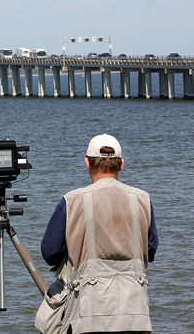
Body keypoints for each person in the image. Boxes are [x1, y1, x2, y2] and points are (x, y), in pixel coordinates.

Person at [39, 134, 159, 334]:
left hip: (87, 312)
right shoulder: (143, 200)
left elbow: (49, 252)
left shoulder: (72, 200)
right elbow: (151, 249)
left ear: (87, 163)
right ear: (121, 164)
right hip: (135, 313)